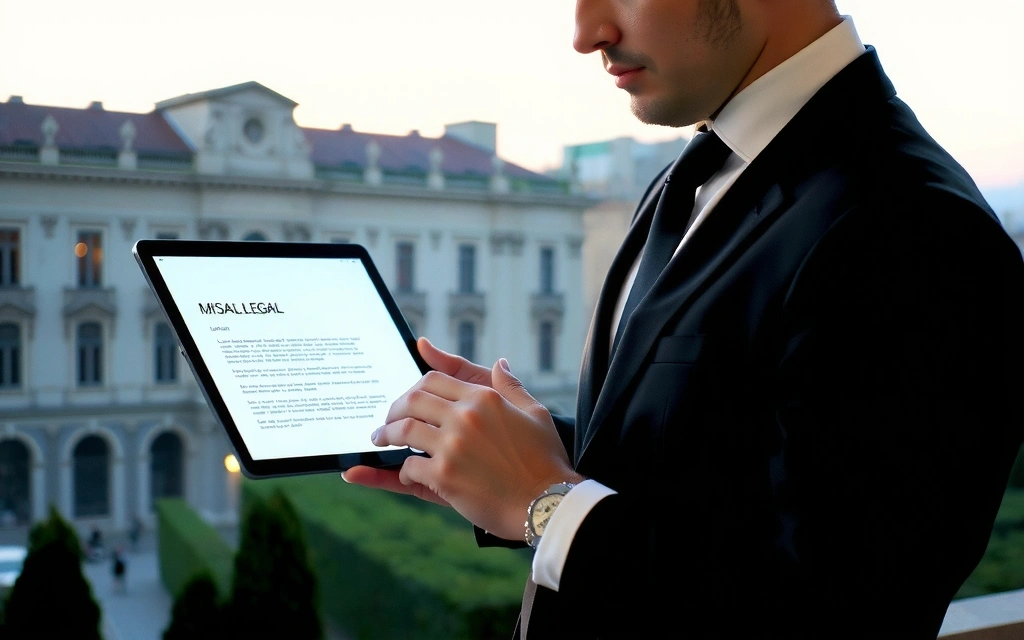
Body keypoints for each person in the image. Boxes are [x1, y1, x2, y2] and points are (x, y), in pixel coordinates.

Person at [344, 0, 1024, 637]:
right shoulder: (696, 175)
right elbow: (723, 477)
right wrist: (518, 454)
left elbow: (837, 610)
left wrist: (546, 503)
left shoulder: (917, 224)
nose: (586, 34)